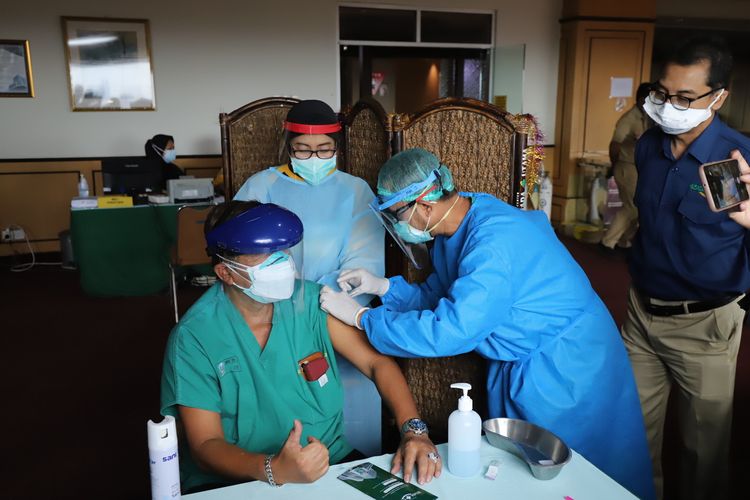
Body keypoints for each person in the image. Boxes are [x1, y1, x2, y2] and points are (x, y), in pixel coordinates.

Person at [319, 148, 655, 500]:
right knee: (523, 471)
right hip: (520, 359)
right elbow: (444, 296)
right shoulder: (460, 222)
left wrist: (363, 318)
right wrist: (384, 288)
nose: (399, 228)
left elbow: (450, 330)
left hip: (566, 364)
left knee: (583, 472)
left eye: (397, 216)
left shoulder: (492, 244)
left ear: (424, 205)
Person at [160, 201, 439, 493]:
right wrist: (273, 468)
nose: (281, 263)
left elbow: (376, 363)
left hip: (331, 463)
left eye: (282, 251)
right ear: (226, 273)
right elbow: (205, 446)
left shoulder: (310, 302)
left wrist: (413, 431)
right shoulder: (195, 338)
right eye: (263, 255)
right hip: (241, 478)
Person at [623, 37, 749, 500]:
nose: (669, 106)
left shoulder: (740, 158)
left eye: (684, 98)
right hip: (640, 315)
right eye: (661, 92)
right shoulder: (648, 147)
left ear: (719, 97)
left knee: (704, 451)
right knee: (633, 436)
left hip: (706, 323)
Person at [233, 99, 385, 455]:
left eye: (324, 150)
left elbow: (365, 260)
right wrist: (285, 300)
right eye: (303, 150)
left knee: (346, 411)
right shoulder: (262, 187)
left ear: (337, 148)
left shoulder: (355, 190)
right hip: (272, 314)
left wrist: (316, 305)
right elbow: (244, 252)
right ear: (288, 146)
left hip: (336, 314)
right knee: (279, 411)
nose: (314, 158)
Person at [601, 82, 652, 251]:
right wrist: (614, 166)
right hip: (626, 166)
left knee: (637, 207)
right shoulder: (629, 118)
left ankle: (624, 241)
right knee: (632, 207)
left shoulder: (647, 117)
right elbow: (615, 144)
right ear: (640, 99)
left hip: (639, 168)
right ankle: (607, 242)